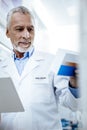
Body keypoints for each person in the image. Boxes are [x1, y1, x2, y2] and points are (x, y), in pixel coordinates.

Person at [0, 6, 80, 130]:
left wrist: (74, 85)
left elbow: (72, 104)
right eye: (19, 29)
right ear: (7, 32)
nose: (26, 35)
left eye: (30, 29)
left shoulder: (52, 61)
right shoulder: (2, 67)